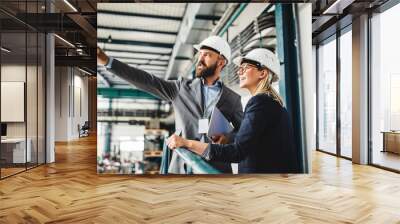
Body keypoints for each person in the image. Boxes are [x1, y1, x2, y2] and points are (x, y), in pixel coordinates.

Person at [97, 36, 244, 174]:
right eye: (200, 54)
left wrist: (228, 137)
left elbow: (244, 134)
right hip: (182, 167)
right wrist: (107, 61)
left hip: (215, 168)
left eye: (206, 55)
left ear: (221, 62)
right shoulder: (181, 88)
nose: (200, 59)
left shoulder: (233, 99)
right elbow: (148, 80)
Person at [167, 48, 301, 173]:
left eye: (245, 67)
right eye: (240, 68)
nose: (239, 72)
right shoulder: (274, 104)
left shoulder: (260, 103)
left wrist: (186, 143)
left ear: (263, 73)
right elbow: (260, 141)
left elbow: (237, 152)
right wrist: (229, 137)